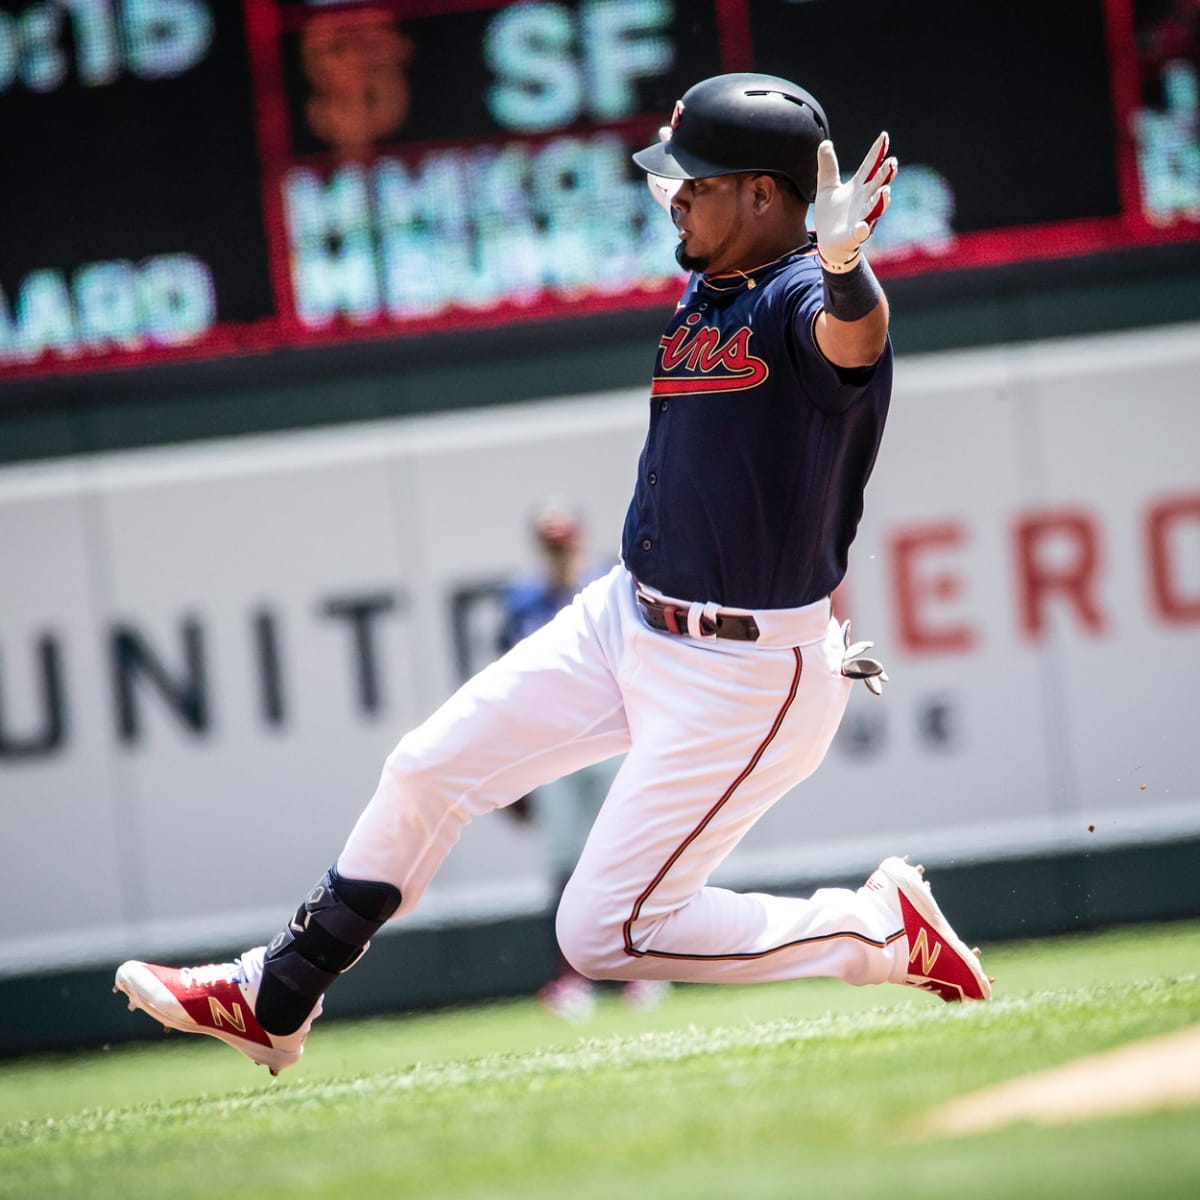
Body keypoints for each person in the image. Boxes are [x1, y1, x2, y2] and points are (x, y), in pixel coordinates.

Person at [115, 72, 992, 1077]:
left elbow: (854, 345)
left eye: (696, 181)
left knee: (602, 935)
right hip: (627, 617)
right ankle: (275, 996)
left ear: (762, 195)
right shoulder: (715, 283)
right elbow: (748, 253)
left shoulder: (800, 297)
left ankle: (874, 932)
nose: (673, 195)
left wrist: (844, 267)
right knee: (426, 768)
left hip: (747, 675)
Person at [497, 497, 669, 1019]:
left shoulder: (609, 586)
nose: (559, 554)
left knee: (626, 856)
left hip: (614, 738)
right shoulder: (523, 600)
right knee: (565, 866)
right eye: (551, 545)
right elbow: (508, 684)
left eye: (564, 543)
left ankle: (640, 970)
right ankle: (570, 979)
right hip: (554, 749)